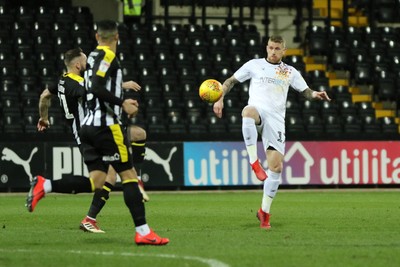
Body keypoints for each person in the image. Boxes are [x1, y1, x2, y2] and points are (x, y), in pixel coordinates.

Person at [213, 35, 331, 229]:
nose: (273, 51)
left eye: (277, 48)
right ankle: (253, 161)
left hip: (276, 120)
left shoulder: (289, 71)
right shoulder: (254, 64)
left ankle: (264, 212)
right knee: (247, 112)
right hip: (258, 111)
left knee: (276, 168)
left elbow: (305, 91)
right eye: (270, 48)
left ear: (284, 51)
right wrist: (219, 98)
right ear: (266, 48)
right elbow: (230, 81)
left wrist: (315, 94)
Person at [27, 48, 149, 214]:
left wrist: (44, 118)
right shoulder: (75, 83)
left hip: (91, 131)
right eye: (85, 61)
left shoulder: (62, 82)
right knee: (107, 175)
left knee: (104, 176)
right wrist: (122, 90)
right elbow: (94, 91)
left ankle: (49, 188)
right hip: (91, 132)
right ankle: (133, 188)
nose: (88, 64)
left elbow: (44, 96)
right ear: (78, 65)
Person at [79, 20, 168, 245]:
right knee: (121, 175)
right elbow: (97, 86)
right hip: (106, 125)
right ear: (117, 36)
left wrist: (120, 85)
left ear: (97, 36)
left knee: (103, 177)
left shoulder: (91, 56)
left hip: (90, 125)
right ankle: (142, 230)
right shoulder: (108, 56)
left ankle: (56, 191)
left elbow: (95, 83)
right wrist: (122, 102)